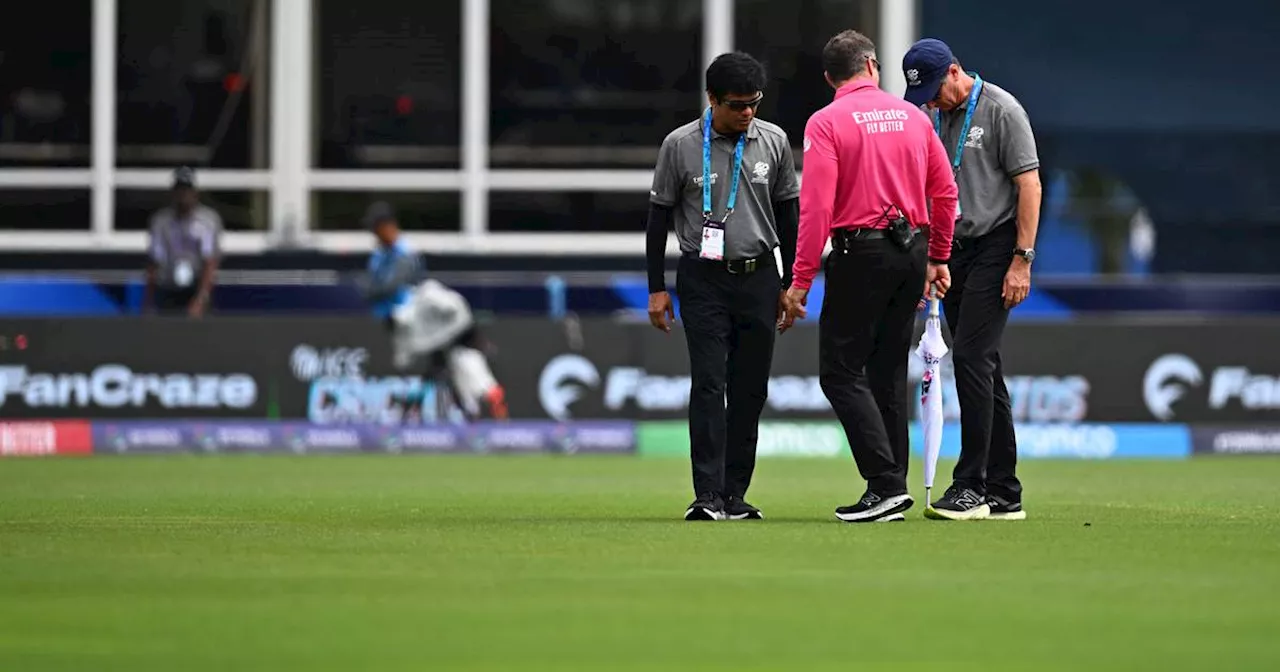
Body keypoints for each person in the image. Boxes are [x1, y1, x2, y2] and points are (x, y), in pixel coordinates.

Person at [780, 30, 957, 523]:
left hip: (861, 252)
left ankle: (883, 483)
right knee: (883, 371)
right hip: (911, 252)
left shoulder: (826, 122)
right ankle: (893, 486)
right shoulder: (914, 118)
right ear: (873, 66)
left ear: (829, 77)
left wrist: (800, 281)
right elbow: (945, 193)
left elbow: (815, 208)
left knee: (839, 372)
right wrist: (937, 256)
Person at [646, 51, 800, 521]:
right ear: (712, 99)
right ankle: (707, 493)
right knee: (710, 384)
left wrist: (791, 283)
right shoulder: (680, 145)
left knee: (750, 388)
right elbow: (657, 219)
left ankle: (736, 493)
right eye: (737, 105)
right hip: (702, 278)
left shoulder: (773, 140)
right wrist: (656, 288)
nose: (747, 112)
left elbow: (790, 217)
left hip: (759, 276)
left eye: (754, 102)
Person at [902, 38, 1041, 521]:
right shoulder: (934, 117)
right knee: (986, 367)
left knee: (973, 358)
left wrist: (1022, 260)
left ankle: (972, 487)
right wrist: (929, 255)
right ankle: (1006, 491)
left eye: (935, 90)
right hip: (951, 250)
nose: (931, 102)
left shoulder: (1003, 110)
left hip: (996, 246)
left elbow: (1029, 184)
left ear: (955, 71)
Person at [361, 201, 507, 421]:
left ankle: (476, 399)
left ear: (389, 225)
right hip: (402, 326)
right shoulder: (379, 257)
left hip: (421, 321)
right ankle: (475, 398)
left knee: (453, 358)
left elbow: (388, 286)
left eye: (377, 227)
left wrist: (379, 288)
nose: (375, 233)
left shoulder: (405, 252)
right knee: (448, 363)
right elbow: (373, 289)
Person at [143, 167, 222, 316]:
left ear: (195, 193)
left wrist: (201, 298)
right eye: (179, 190)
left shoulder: (208, 221)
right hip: (168, 287)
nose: (183, 195)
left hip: (196, 285)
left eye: (187, 190)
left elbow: (210, 261)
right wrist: (148, 300)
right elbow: (154, 261)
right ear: (172, 193)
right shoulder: (160, 221)